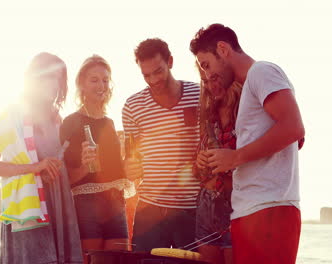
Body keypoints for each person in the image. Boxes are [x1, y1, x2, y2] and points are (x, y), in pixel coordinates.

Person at [190, 23, 305, 264]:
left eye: (206, 64)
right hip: (249, 211)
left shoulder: (262, 71)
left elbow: (294, 128)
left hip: (269, 209)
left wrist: (235, 157)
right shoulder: (251, 86)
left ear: (222, 49)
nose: (208, 75)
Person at [0, 52, 83, 264]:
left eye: (59, 78)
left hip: (58, 207)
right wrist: (36, 167)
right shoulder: (13, 115)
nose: (55, 83)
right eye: (49, 76)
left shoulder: (59, 120)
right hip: (28, 211)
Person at [122, 38, 201, 252]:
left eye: (158, 71)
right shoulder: (132, 106)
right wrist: (129, 167)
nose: (153, 80)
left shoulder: (200, 96)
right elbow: (131, 158)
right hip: (149, 210)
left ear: (171, 62)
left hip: (192, 208)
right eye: (146, 75)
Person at [60, 55, 130, 263]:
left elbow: (118, 171)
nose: (101, 85)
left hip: (116, 202)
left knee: (119, 260)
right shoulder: (71, 123)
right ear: (81, 83)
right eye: (94, 80)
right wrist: (83, 165)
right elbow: (66, 180)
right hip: (87, 205)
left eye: (105, 80)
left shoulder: (110, 123)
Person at [192, 64, 242, 264]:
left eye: (215, 79)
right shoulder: (208, 115)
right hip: (206, 205)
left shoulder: (245, 111)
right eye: (206, 82)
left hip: (235, 203)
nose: (211, 87)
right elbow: (197, 171)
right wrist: (199, 161)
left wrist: (233, 157)